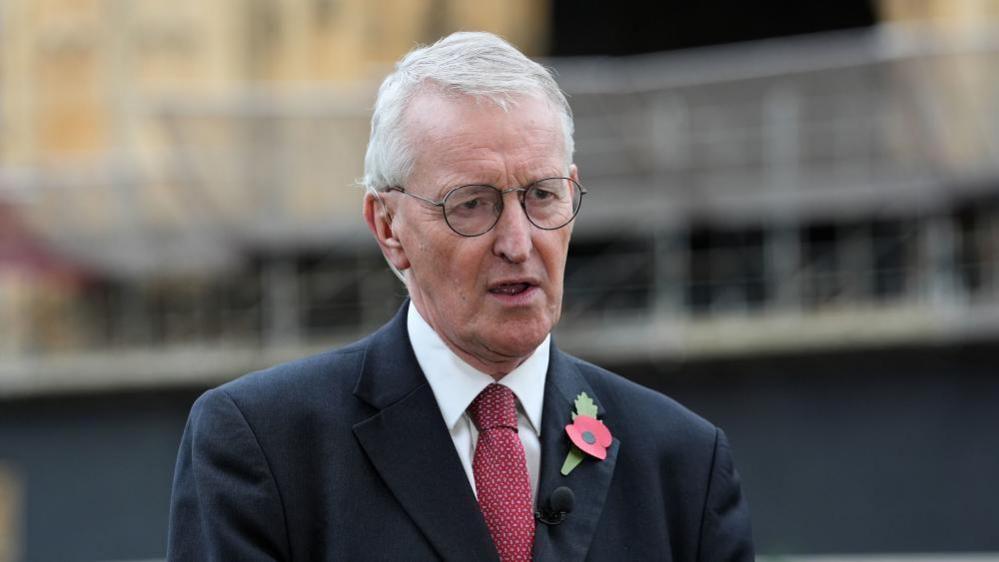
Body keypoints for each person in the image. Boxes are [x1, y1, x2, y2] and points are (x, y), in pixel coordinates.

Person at [167, 31, 753, 561]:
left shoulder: (683, 461)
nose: (519, 242)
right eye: (472, 203)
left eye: (543, 196)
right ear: (389, 227)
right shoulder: (265, 446)